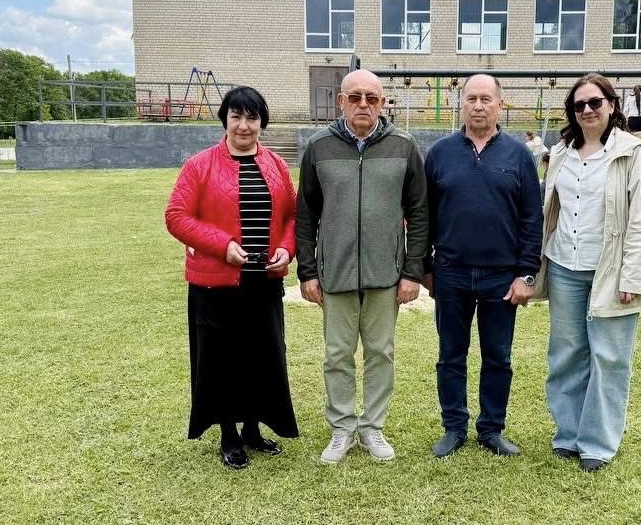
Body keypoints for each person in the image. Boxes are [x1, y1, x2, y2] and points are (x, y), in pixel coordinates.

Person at [295, 70, 428, 464]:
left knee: (380, 352)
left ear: (383, 102)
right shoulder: (318, 147)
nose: (364, 105)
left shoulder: (404, 146)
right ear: (341, 101)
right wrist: (308, 271)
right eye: (355, 97)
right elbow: (306, 215)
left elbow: (419, 212)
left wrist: (412, 271)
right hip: (335, 272)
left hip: (385, 273)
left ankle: (372, 427)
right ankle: (342, 428)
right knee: (337, 354)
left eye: (372, 97)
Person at [164, 86, 298, 470]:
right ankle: (228, 434)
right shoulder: (200, 165)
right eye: (236, 116)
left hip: (263, 281)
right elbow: (176, 216)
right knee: (221, 359)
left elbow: (292, 215)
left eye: (251, 117)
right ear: (224, 119)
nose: (243, 125)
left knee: (262, 356)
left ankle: (252, 429)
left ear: (262, 123)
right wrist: (222, 246)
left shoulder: (275, 165)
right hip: (215, 284)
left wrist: (286, 249)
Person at [538, 73, 641, 472]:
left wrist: (632, 276)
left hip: (610, 269)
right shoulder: (561, 152)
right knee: (566, 354)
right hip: (564, 266)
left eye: (595, 102)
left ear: (611, 104)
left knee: (609, 357)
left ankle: (597, 443)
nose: (587, 110)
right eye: (579, 105)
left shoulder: (631, 154)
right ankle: (568, 434)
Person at [423, 74, 543, 459]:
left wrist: (526, 274)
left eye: (486, 99)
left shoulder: (518, 156)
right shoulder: (439, 154)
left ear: (500, 105)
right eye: (471, 98)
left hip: (501, 278)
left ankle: (491, 429)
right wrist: (425, 267)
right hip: (451, 273)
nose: (478, 105)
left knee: (498, 357)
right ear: (461, 104)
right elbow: (423, 215)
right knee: (450, 355)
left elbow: (532, 219)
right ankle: (454, 427)